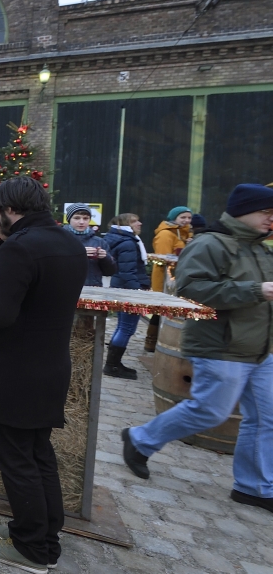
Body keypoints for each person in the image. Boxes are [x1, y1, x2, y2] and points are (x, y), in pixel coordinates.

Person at [123, 184, 273, 514]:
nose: (270, 219)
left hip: (261, 349)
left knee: (266, 417)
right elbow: (191, 291)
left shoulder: (261, 250)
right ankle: (140, 439)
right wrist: (257, 290)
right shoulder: (210, 244)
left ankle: (255, 487)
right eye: (266, 212)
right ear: (244, 210)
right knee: (211, 411)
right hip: (221, 346)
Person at [0, 176, 86, 574]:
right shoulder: (69, 241)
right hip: (50, 367)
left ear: (9, 209)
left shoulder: (20, 246)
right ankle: (43, 531)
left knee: (15, 459)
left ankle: (34, 548)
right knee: (37, 454)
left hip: (15, 371)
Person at [102, 213, 150, 379]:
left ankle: (113, 363)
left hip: (122, 288)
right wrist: (137, 291)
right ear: (124, 225)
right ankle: (112, 365)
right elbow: (127, 271)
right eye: (134, 221)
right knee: (127, 327)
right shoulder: (128, 242)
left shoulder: (122, 239)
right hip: (128, 289)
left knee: (123, 326)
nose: (139, 223)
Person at [144, 206, 194, 352]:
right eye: (182, 217)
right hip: (166, 278)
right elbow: (163, 258)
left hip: (177, 276)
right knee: (160, 310)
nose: (186, 220)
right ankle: (152, 342)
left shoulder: (184, 234)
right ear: (174, 218)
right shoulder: (166, 234)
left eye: (189, 218)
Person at [64, 203, 116, 287]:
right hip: (65, 287)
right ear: (69, 219)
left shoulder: (99, 242)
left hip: (93, 289)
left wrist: (105, 258)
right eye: (77, 218)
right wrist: (78, 254)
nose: (81, 222)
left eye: (86, 218)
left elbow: (109, 272)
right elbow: (51, 266)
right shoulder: (59, 240)